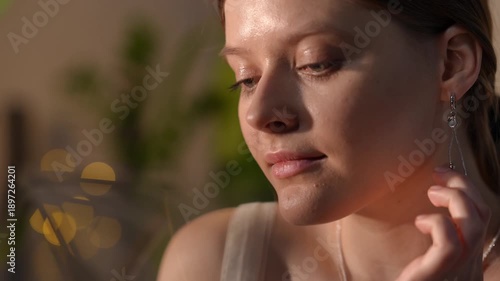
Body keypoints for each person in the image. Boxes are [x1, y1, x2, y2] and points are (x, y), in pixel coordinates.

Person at [157, 0, 500, 280]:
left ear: (452, 64)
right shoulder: (214, 261)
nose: (258, 114)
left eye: (315, 63)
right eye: (246, 79)